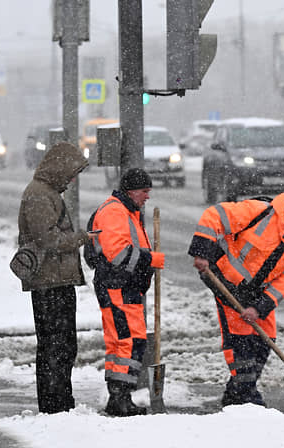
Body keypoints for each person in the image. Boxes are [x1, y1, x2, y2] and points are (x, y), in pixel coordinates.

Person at [188, 190, 284, 407]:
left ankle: (237, 392)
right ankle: (245, 397)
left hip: (256, 294)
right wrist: (201, 252)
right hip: (224, 280)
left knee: (264, 341)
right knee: (241, 342)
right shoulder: (259, 213)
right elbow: (214, 215)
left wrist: (259, 308)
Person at [16, 141, 91, 414]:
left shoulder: (46, 193)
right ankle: (54, 404)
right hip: (50, 282)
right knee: (55, 345)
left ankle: (60, 401)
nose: (71, 180)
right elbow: (48, 239)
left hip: (56, 280)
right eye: (71, 173)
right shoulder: (39, 195)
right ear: (59, 168)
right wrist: (80, 238)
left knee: (62, 345)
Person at [85, 168, 165, 416]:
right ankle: (121, 398)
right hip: (118, 286)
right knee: (131, 341)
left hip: (120, 285)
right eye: (144, 191)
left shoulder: (126, 211)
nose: (147, 196)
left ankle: (118, 397)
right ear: (131, 191)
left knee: (120, 342)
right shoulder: (115, 212)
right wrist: (151, 260)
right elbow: (119, 255)